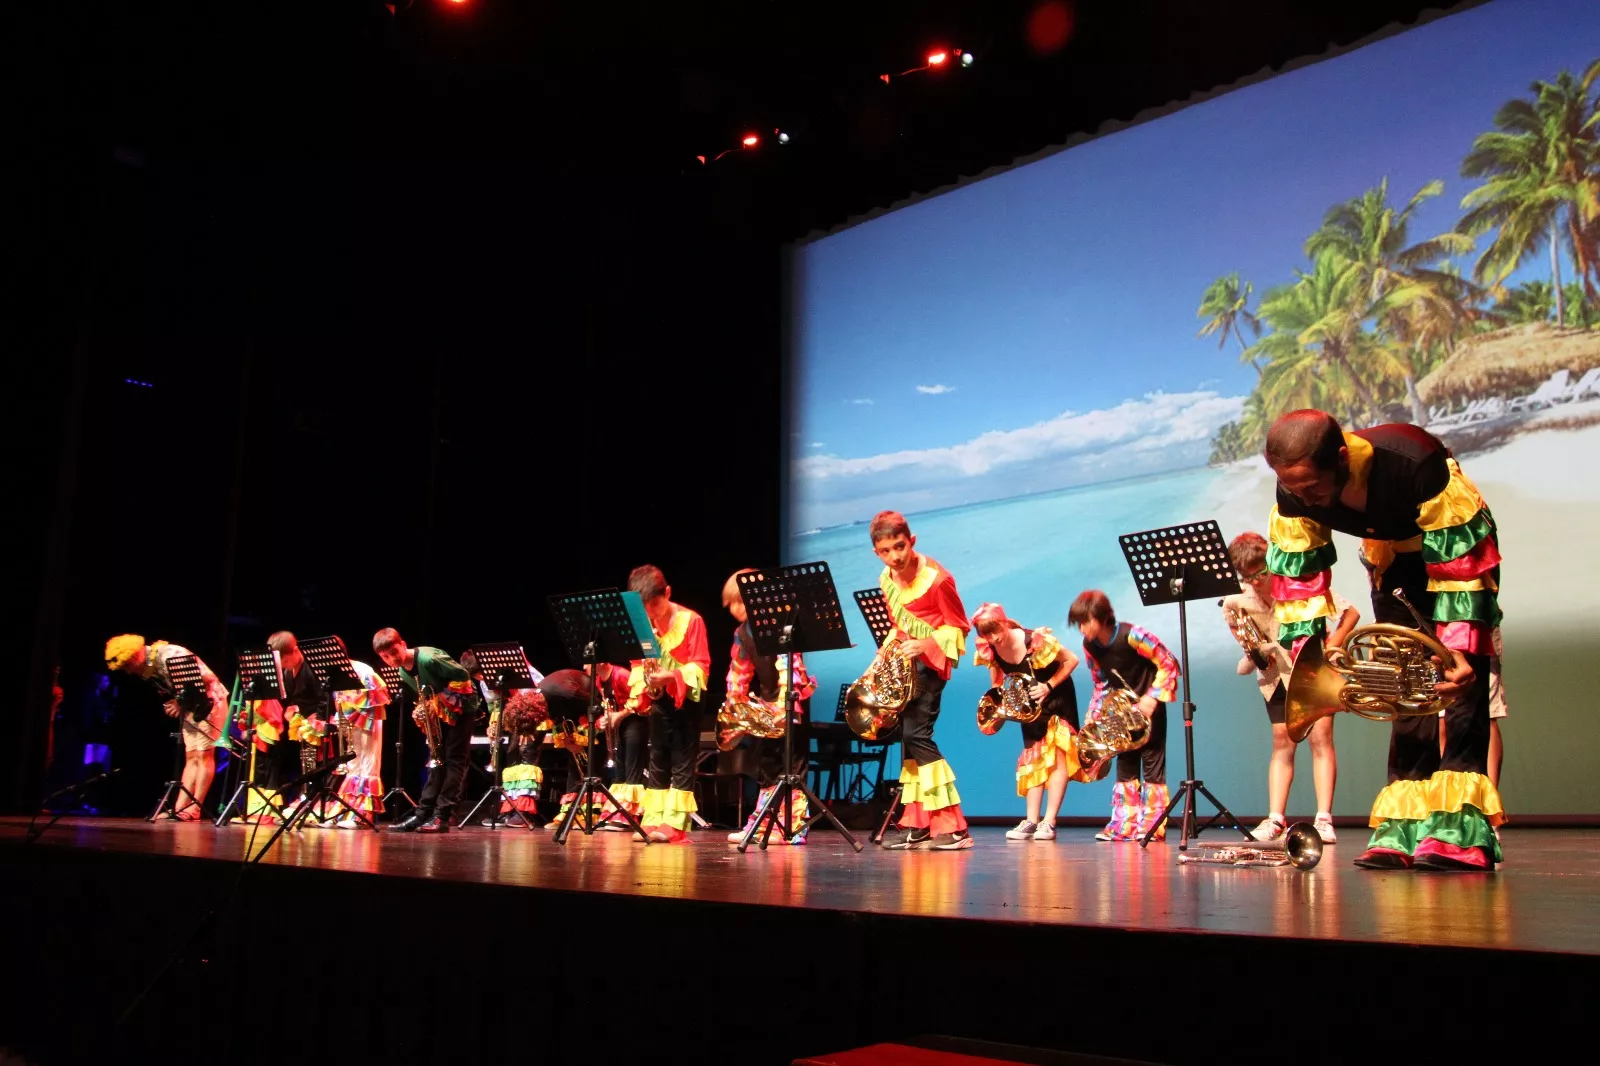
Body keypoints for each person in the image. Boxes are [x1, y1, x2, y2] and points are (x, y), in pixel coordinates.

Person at [1264, 409, 1504, 870]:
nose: (1304, 497)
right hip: (1391, 563)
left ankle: (1461, 831)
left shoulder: (1412, 459)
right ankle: (1405, 824)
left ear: (1340, 458)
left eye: (1312, 486)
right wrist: (1310, 658)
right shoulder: (1294, 492)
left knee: (1457, 688)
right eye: (1293, 488)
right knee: (1405, 686)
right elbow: (1301, 581)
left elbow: (1457, 560)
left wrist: (1457, 645)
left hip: (1454, 559)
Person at [1222, 532, 1358, 845]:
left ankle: (1323, 819)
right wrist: (1254, 652)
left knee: (1321, 739)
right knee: (1282, 741)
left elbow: (1351, 612)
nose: (1255, 582)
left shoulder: (1299, 586)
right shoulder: (1236, 601)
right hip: (1275, 677)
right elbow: (1244, 639)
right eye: (1247, 576)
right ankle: (1275, 819)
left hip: (1312, 671)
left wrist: (1330, 646)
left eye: (1260, 573)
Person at [869, 511, 974, 851]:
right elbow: (898, 625)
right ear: (877, 553)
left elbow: (959, 627)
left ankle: (954, 827)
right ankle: (919, 824)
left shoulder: (938, 579)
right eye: (886, 551)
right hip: (907, 662)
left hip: (932, 660)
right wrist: (883, 654)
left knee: (917, 734)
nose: (895, 556)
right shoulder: (886, 579)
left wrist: (926, 644)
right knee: (907, 741)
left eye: (899, 547)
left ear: (911, 541)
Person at [1067, 590, 1179, 842]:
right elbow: (1101, 682)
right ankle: (1124, 825)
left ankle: (1151, 825)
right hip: (1122, 714)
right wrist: (1094, 715)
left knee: (1153, 767)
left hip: (1150, 709)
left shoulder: (1133, 635)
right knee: (1125, 767)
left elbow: (1168, 663)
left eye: (1085, 622)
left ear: (1100, 617)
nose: (1082, 629)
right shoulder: (1090, 646)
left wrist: (1152, 697)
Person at [721, 568, 818, 845]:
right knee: (767, 765)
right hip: (766, 704)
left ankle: (792, 828)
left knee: (791, 766)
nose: (735, 609)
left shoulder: (781, 624)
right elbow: (739, 673)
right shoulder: (743, 633)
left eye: (740, 602)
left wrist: (781, 707)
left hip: (791, 702)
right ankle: (763, 824)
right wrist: (735, 710)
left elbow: (791, 668)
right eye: (731, 605)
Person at [971, 603, 1082, 843]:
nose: (992, 639)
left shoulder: (1035, 641)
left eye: (994, 631)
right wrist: (998, 705)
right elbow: (997, 682)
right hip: (1029, 706)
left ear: (1003, 623)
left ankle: (1049, 821)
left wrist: (1048, 686)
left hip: (1056, 698)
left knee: (1057, 757)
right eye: (986, 635)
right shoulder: (990, 649)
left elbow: (1072, 660)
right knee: (1033, 756)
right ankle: (1031, 820)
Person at [626, 565, 712, 843]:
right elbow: (637, 663)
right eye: (645, 608)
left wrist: (672, 676)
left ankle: (675, 825)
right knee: (658, 756)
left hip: (686, 697)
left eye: (655, 605)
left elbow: (701, 665)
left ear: (668, 593)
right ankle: (653, 820)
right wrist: (646, 687)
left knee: (682, 757)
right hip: (658, 696)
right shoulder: (644, 624)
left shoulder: (691, 621)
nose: (651, 613)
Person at [105, 634, 231, 820]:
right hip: (192, 707)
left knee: (203, 755)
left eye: (128, 667)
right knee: (191, 757)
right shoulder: (152, 667)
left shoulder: (170, 655)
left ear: (135, 657)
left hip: (211, 702)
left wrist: (180, 703)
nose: (129, 672)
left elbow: (204, 679)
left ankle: (195, 808)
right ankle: (180, 807)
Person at [373, 628, 479, 833]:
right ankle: (423, 813)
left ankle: (443, 816)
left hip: (462, 707)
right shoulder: (403, 671)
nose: (391, 659)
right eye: (385, 657)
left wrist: (441, 702)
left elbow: (463, 677)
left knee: (454, 760)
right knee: (435, 759)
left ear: (403, 644)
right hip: (439, 710)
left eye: (394, 652)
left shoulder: (429, 658)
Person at [330, 636, 390, 829]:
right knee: (353, 765)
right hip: (350, 726)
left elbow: (379, 695)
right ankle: (346, 812)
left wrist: (351, 708)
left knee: (367, 764)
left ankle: (361, 815)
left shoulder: (361, 669)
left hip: (367, 723)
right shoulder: (335, 675)